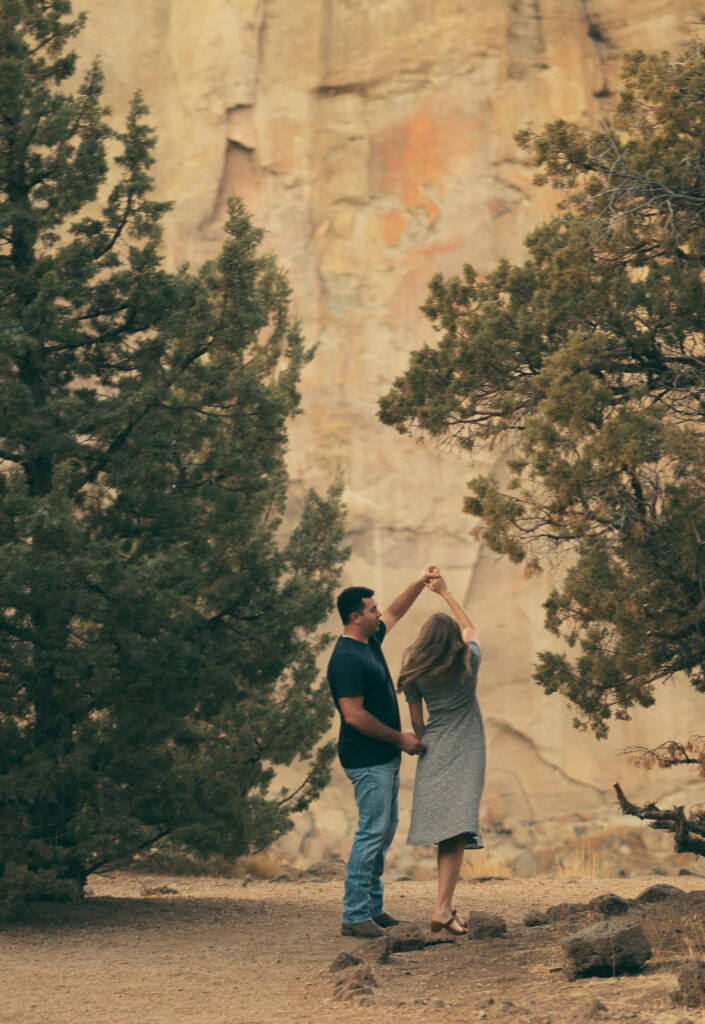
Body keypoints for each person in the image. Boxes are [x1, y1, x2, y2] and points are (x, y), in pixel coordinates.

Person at [327, 568, 437, 938]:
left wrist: (420, 582)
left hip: (383, 758)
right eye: (371, 610)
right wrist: (399, 739)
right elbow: (353, 715)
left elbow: (396, 610)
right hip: (367, 759)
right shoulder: (347, 658)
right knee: (371, 832)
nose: (379, 614)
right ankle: (355, 915)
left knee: (382, 832)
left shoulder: (368, 642)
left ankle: (373, 909)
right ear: (355, 617)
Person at [398, 573, 485, 936]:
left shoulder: (415, 675)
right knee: (458, 829)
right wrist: (446, 592)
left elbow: (418, 726)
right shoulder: (469, 662)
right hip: (466, 749)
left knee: (450, 832)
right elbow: (470, 627)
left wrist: (425, 740)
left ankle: (445, 905)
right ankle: (442, 906)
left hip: (434, 751)